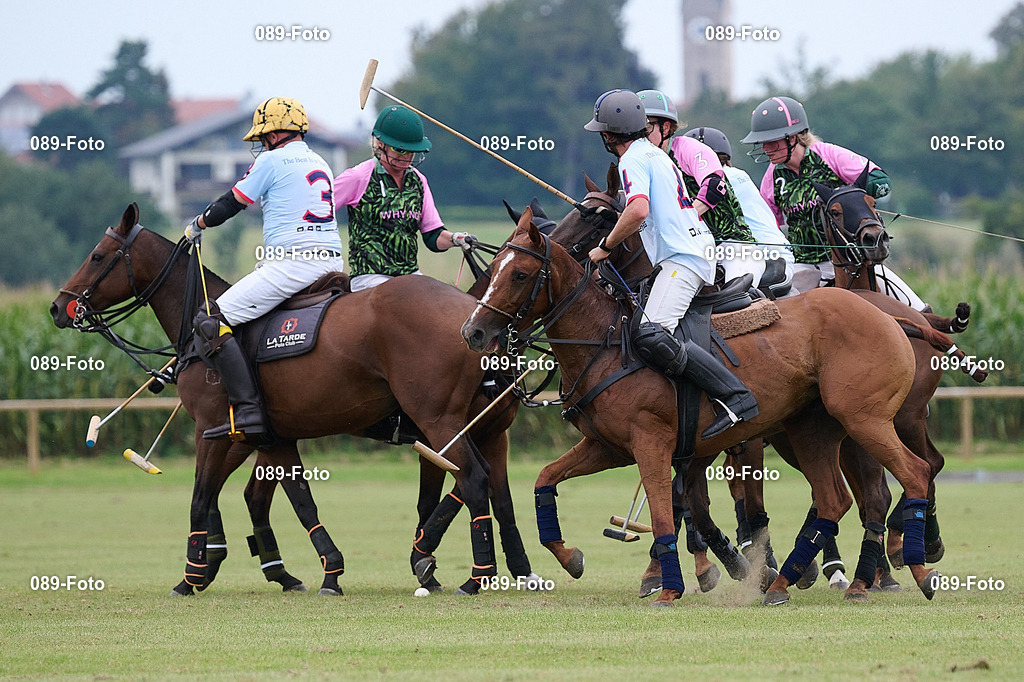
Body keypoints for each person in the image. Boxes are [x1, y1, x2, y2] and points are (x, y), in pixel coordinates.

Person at [584, 89, 758, 440]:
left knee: (651, 333)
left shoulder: (631, 159)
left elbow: (638, 209)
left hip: (684, 259)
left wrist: (605, 246)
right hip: (692, 252)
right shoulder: (657, 154)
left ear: (607, 135)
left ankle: (736, 397)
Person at [183, 96, 344, 443]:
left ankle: (247, 409)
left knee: (210, 319)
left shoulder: (271, 161)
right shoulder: (321, 161)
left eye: (262, 137)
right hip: (332, 262)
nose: (261, 144)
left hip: (293, 264)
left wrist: (198, 223)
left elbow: (233, 202)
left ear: (274, 134)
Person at [740, 96, 927, 309]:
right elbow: (767, 224)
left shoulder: (828, 155)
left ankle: (923, 313)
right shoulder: (772, 178)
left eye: (771, 141)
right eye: (762, 143)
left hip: (847, 258)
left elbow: (879, 180)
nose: (765, 148)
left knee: (908, 303)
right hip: (802, 262)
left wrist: (848, 198)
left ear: (793, 137)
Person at [333, 105, 476, 292]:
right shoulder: (358, 177)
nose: (407, 156)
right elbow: (321, 207)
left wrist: (455, 238)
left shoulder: (418, 181)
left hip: (410, 276)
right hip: (369, 278)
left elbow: (433, 235)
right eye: (400, 150)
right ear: (380, 144)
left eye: (411, 150)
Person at [637, 89, 765, 289]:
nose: (640, 138)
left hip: (734, 248)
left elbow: (715, 186)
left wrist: (685, 219)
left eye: (645, 129)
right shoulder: (641, 164)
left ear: (666, 127)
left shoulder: (687, 148)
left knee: (736, 294)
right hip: (687, 254)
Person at [682, 125, 797, 295]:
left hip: (765, 259)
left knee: (730, 301)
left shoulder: (723, 176)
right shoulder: (736, 173)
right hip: (773, 254)